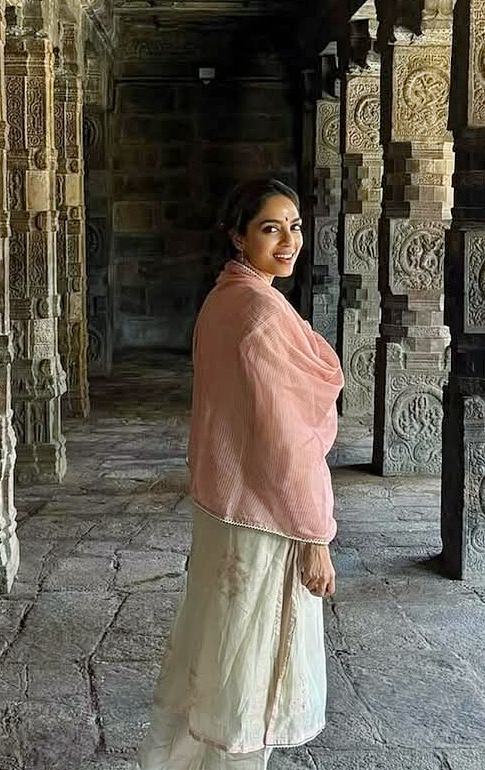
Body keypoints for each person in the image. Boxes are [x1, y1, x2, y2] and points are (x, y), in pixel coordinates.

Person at [138, 177, 344, 770]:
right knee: (251, 672)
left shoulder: (224, 299)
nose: (289, 241)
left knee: (220, 651)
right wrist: (315, 536)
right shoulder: (258, 313)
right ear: (238, 236)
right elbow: (286, 440)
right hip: (265, 517)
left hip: (225, 509)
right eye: (270, 228)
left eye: (295, 226)